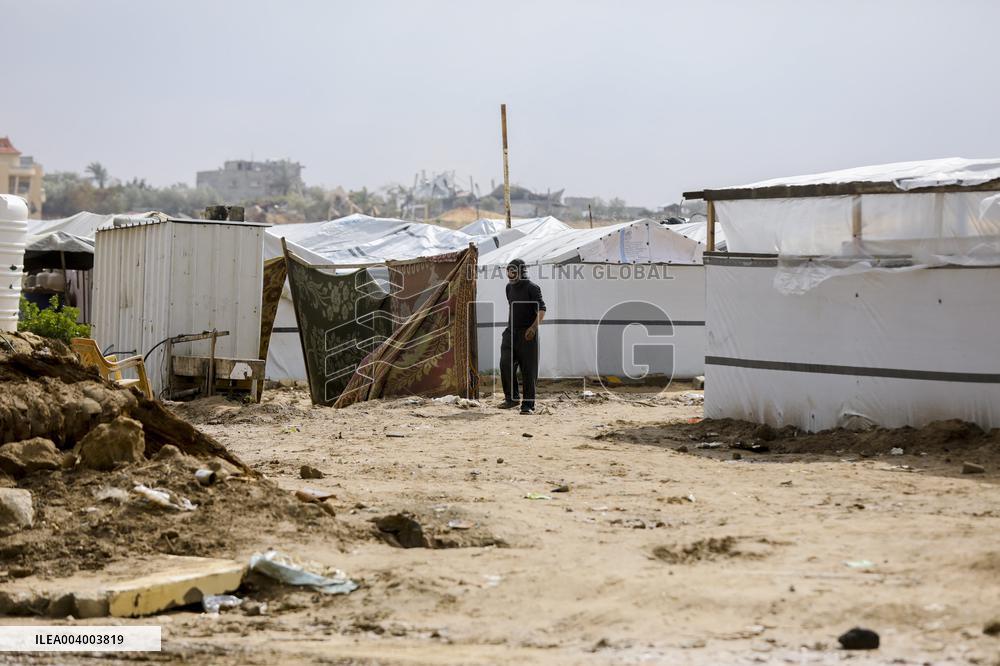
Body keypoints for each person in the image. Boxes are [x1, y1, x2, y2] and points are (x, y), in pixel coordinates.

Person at [499, 258, 545, 414]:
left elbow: (542, 309)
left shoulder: (532, 288)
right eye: (508, 271)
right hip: (510, 333)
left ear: (521, 271)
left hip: (527, 334)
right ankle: (511, 399)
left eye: (512, 271)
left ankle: (528, 406)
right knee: (505, 364)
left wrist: (533, 328)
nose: (509, 274)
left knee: (528, 370)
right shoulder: (508, 288)